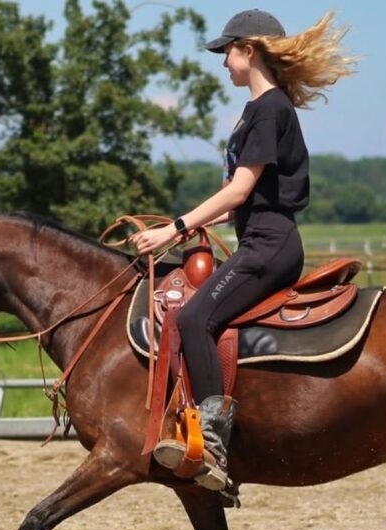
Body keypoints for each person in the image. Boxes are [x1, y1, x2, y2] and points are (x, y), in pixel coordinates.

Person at [129, 8, 355, 491]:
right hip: (261, 238)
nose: (223, 62)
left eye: (227, 52)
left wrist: (173, 228)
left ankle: (211, 443)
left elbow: (238, 190)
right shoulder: (259, 110)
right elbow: (241, 201)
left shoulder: (269, 109)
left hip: (269, 246)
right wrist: (198, 225)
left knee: (192, 319)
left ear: (248, 51)